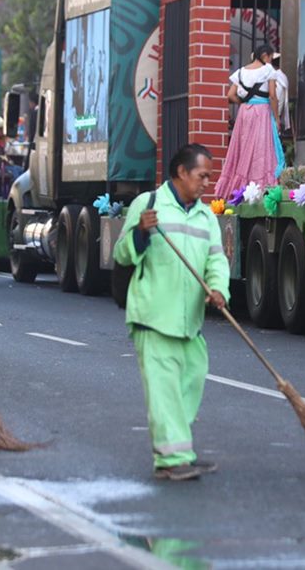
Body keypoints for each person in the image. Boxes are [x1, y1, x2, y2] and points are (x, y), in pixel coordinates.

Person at [115, 144, 230, 481]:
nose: (207, 182)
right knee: (164, 392)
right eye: (202, 175)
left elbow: (216, 259)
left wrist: (219, 289)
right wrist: (140, 231)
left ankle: (179, 450)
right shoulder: (147, 205)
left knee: (192, 381)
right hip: (153, 317)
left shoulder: (206, 215)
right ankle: (172, 459)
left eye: (209, 176)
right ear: (182, 172)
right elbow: (121, 254)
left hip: (189, 322)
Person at [213, 44, 285, 199]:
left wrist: (245, 103)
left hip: (245, 113)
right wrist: (277, 118)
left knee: (243, 148)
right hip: (262, 112)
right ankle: (260, 187)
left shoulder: (241, 72)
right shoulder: (268, 70)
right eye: (271, 57)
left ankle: (239, 188)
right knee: (261, 148)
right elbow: (272, 95)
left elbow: (230, 95)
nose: (271, 61)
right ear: (265, 55)